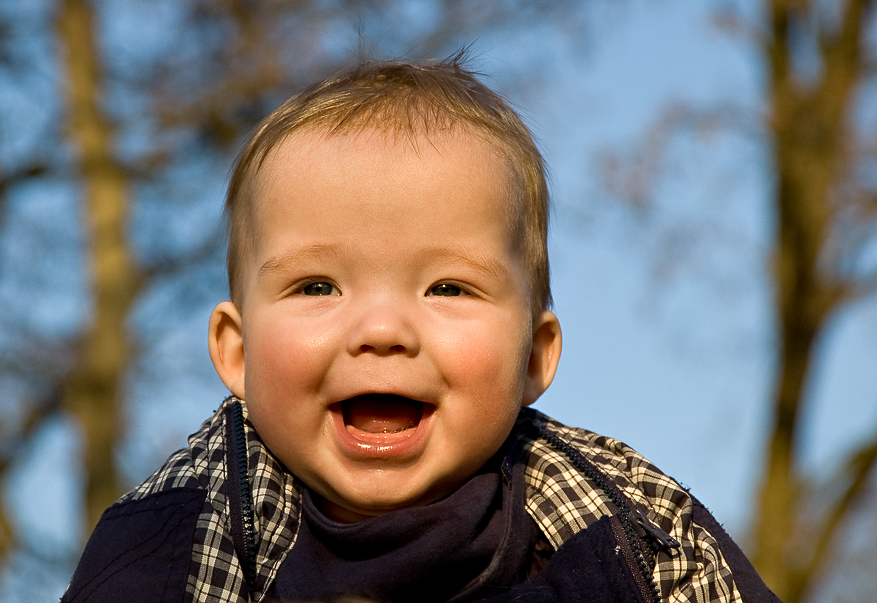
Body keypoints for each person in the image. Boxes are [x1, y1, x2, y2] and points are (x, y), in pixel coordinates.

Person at [61, 56, 779, 603]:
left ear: (534, 354)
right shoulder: (173, 542)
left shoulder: (621, 531)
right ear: (237, 351)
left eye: (447, 286)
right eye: (318, 285)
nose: (381, 330)